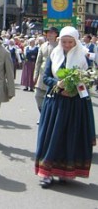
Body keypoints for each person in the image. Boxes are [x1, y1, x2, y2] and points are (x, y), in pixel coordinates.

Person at [35, 26, 96, 188]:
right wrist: (57, 84)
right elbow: (46, 76)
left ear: (76, 42)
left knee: (69, 136)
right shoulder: (54, 55)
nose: (67, 45)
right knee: (51, 136)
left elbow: (89, 79)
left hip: (75, 103)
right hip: (55, 102)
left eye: (70, 42)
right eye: (64, 41)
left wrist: (75, 89)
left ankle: (64, 172)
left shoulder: (83, 57)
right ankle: (46, 173)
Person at [33, 27, 59, 115]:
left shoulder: (59, 46)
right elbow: (38, 61)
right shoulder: (43, 45)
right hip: (42, 73)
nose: (50, 34)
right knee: (37, 95)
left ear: (56, 34)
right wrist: (35, 74)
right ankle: (42, 113)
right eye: (48, 33)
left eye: (52, 32)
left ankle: (48, 115)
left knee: (51, 96)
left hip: (53, 74)